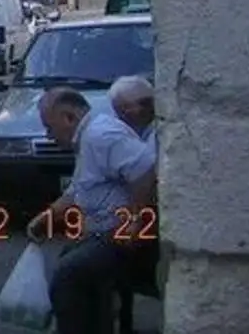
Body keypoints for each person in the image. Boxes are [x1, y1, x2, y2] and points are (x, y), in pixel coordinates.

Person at [28, 87, 157, 334]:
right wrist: (46, 218)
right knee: (69, 257)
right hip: (102, 232)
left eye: (49, 127)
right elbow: (77, 191)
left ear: (69, 118)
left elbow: (145, 169)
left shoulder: (100, 135)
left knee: (70, 274)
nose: (49, 135)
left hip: (119, 235)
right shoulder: (87, 139)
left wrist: (135, 220)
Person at [109, 75, 155, 147]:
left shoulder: (157, 128)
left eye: (153, 101)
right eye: (144, 103)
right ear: (123, 108)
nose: (152, 107)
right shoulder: (111, 136)